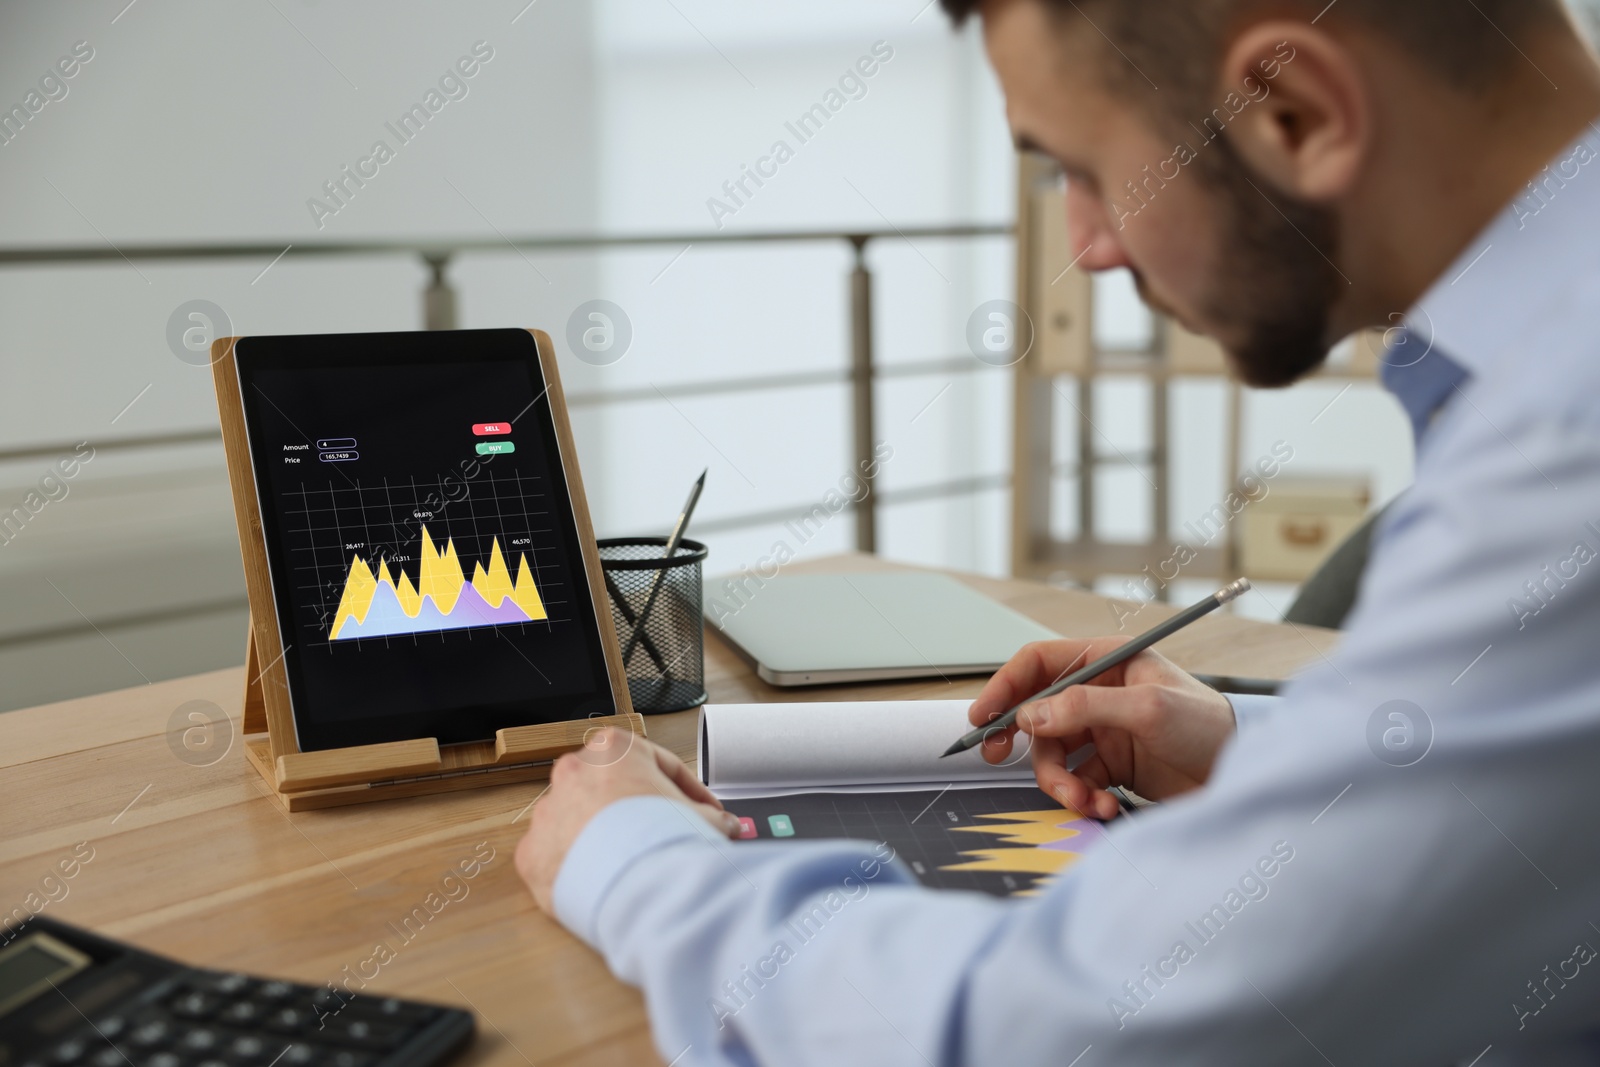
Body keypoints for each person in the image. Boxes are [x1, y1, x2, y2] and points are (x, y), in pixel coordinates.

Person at [514, 1, 1600, 1062]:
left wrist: (635, 858)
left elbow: (1057, 1031)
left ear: (1296, 111)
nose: (1084, 250)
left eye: (1079, 169)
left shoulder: (1562, 448)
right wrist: (1250, 747)